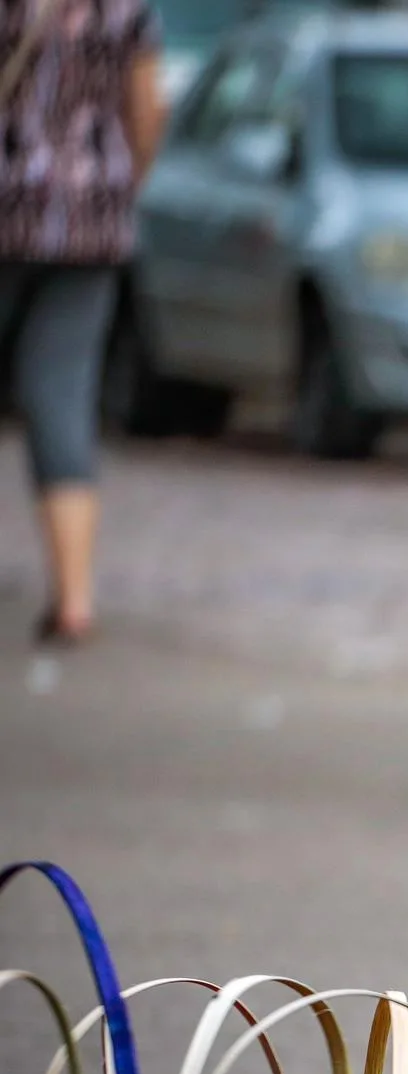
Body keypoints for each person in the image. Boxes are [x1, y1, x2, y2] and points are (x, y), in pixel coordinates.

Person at [1, 0, 163, 647]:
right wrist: (117, 184)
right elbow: (147, 113)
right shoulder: (125, 9)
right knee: (61, 396)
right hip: (91, 222)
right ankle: (74, 597)